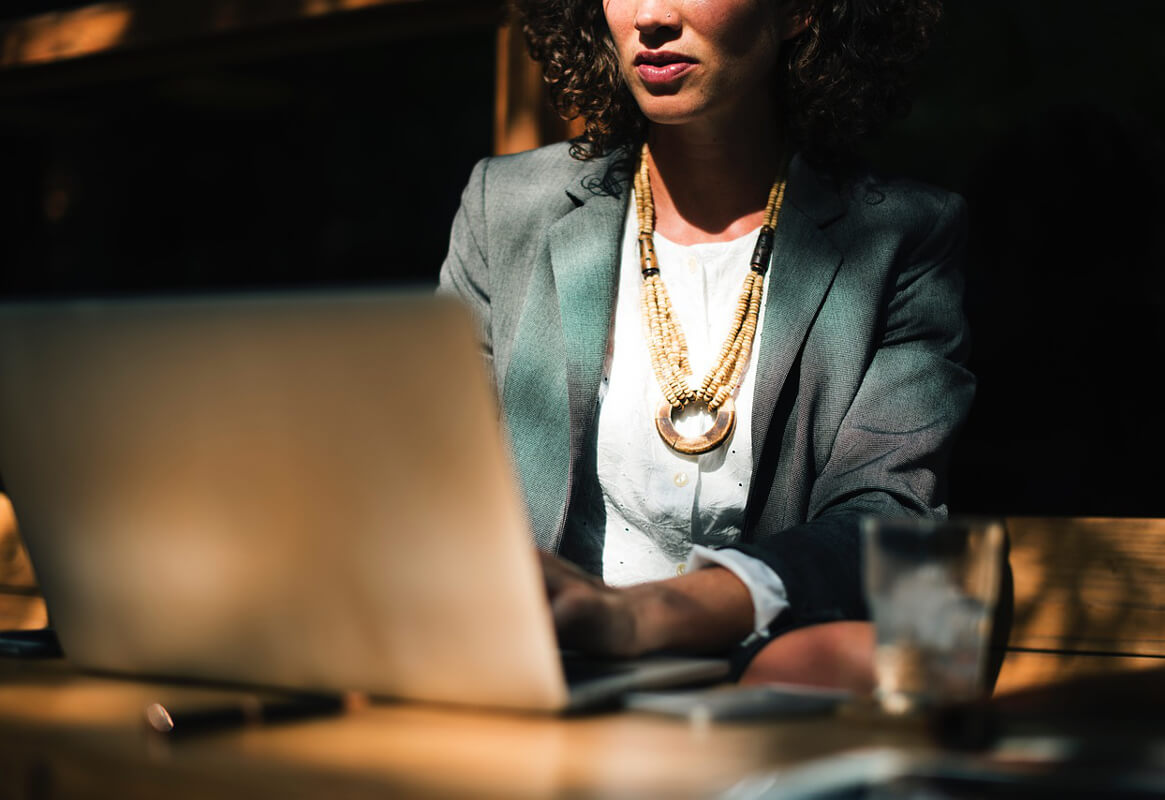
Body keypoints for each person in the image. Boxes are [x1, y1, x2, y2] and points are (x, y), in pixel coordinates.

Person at [440, 0, 975, 688]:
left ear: (798, 12)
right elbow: (444, 476)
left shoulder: (902, 235)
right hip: (538, 673)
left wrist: (645, 615)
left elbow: (888, 517)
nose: (651, 16)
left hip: (772, 681)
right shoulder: (505, 207)